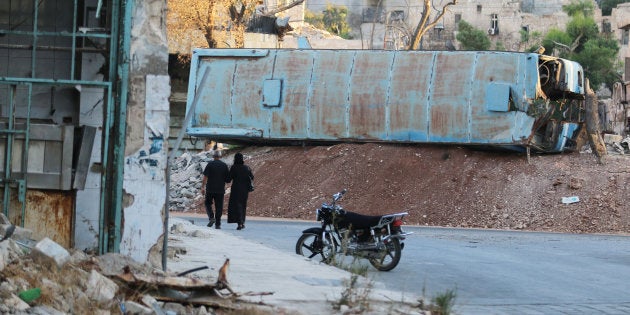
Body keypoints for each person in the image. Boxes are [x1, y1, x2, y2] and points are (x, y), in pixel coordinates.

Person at [201, 149, 230, 229]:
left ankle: (211, 217)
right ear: (220, 156)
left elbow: (205, 177)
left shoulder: (210, 164)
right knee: (219, 207)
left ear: (213, 156)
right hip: (220, 190)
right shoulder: (224, 165)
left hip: (210, 189)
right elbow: (228, 180)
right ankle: (218, 224)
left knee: (207, 203)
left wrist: (202, 187)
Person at [227, 152, 253, 230]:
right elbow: (252, 177)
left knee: (237, 205)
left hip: (236, 189)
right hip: (245, 190)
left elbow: (228, 179)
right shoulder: (247, 168)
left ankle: (240, 223)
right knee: (243, 205)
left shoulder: (234, 167)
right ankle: (242, 222)